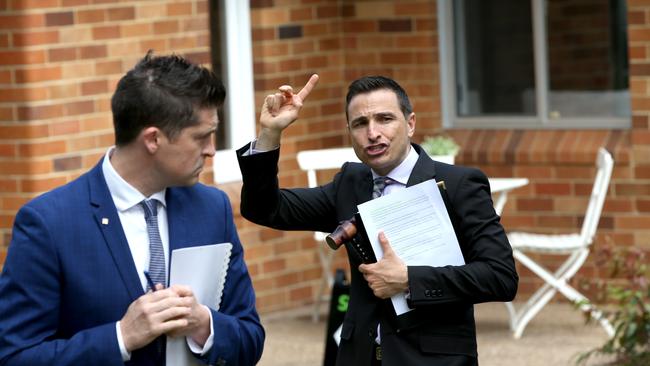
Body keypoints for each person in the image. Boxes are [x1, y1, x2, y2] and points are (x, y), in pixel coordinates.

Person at [0, 52, 264, 366]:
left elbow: (250, 336)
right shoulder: (49, 223)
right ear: (153, 139)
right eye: (202, 137)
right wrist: (120, 337)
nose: (211, 150)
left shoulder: (212, 208)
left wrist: (204, 325)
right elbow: (15, 357)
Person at [236, 75, 518, 365]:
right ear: (350, 131)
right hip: (359, 355)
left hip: (433, 359)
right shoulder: (349, 182)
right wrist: (270, 134)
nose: (372, 133)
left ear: (410, 124)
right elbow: (265, 208)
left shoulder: (458, 185)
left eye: (385, 119)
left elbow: (500, 277)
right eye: (360, 123)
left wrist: (409, 279)